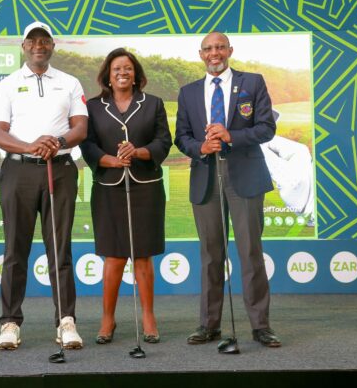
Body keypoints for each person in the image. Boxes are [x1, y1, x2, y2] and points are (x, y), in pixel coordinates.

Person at [174, 31, 282, 348]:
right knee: (210, 256)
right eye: (208, 48)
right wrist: (201, 146)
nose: (214, 53)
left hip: (244, 175)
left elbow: (266, 128)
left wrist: (231, 135)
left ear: (230, 50)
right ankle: (209, 324)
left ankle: (261, 326)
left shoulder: (253, 83)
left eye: (220, 47)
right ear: (200, 54)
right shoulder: (188, 92)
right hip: (206, 175)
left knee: (250, 253)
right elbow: (181, 136)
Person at [0, 21, 88, 350]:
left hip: (59, 169)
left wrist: (55, 142)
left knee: (59, 249)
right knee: (15, 251)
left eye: (44, 40)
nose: (38, 46)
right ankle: (10, 323)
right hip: (19, 171)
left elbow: (80, 128)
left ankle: (65, 321)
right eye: (32, 41)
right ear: (23, 47)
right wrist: (31, 146)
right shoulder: (7, 84)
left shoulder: (69, 83)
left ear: (52, 46)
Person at [80, 48, 171, 344]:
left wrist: (140, 152)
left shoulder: (153, 103)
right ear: (108, 74)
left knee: (143, 255)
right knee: (114, 256)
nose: (123, 72)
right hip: (109, 187)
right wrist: (109, 160)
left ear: (136, 74)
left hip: (146, 187)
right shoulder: (93, 107)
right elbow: (87, 144)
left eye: (128, 68)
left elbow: (163, 141)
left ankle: (148, 317)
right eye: (117, 68)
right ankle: (108, 319)